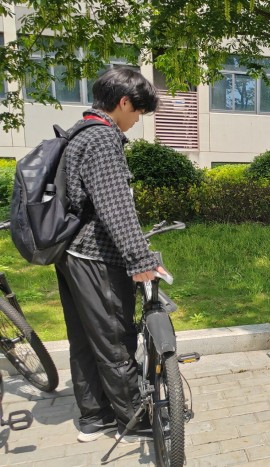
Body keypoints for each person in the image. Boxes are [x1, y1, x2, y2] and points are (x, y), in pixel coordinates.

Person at [55, 67, 164, 443]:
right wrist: (141, 260)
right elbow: (115, 207)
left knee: (85, 339)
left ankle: (94, 417)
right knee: (115, 339)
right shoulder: (102, 137)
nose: (138, 120)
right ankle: (134, 419)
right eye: (139, 112)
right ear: (124, 102)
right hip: (96, 257)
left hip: (72, 254)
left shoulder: (79, 131)